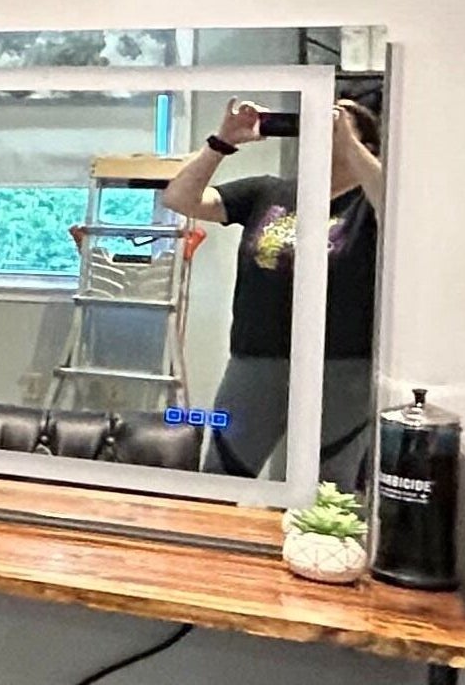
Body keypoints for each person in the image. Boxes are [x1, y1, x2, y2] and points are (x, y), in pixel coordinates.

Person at [162, 93, 382, 482]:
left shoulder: (371, 203)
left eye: (333, 125)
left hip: (343, 369)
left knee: (331, 489)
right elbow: (180, 198)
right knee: (220, 476)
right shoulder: (268, 192)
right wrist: (222, 141)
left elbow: (395, 201)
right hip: (256, 361)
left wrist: (348, 139)